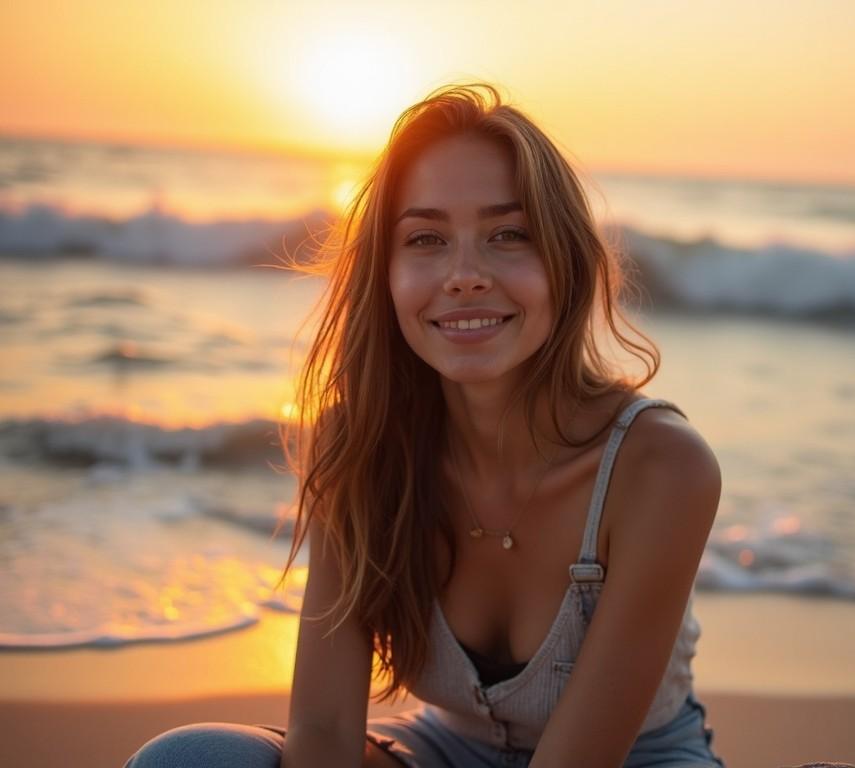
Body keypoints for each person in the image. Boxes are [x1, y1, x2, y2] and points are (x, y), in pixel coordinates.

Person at [123, 82, 724, 768]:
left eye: (507, 234)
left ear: (567, 261)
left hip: (629, 761)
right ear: (386, 273)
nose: (464, 275)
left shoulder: (660, 468)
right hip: (439, 750)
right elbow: (323, 732)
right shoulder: (361, 446)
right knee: (188, 759)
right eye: (426, 238)